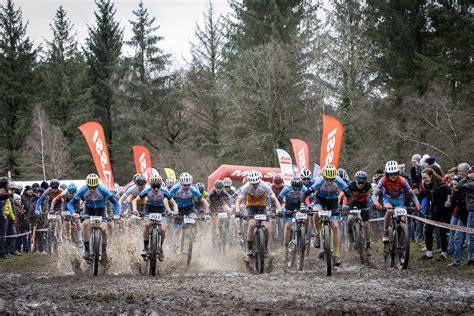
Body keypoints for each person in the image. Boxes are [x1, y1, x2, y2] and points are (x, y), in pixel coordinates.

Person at [304, 164, 353, 266]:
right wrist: (302, 204)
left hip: (333, 201)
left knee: (335, 226)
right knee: (316, 213)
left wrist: (347, 206)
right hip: (320, 200)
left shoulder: (339, 180)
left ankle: (337, 254)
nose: (330, 182)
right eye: (327, 179)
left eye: (332, 179)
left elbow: (350, 195)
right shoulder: (320, 181)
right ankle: (317, 234)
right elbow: (305, 194)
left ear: (335, 177)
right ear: (324, 177)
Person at [67, 174, 121, 260]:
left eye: (94, 187)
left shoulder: (103, 189)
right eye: (90, 187)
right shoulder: (83, 189)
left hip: (101, 210)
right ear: (87, 185)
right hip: (89, 210)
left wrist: (117, 214)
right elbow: (70, 204)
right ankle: (87, 250)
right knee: (85, 224)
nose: (92, 190)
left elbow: (116, 203)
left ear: (97, 185)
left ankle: (103, 252)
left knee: (103, 228)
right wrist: (73, 213)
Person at [372, 161, 421, 245]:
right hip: (388, 199)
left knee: (402, 219)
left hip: (399, 200)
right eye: (391, 174)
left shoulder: (402, 180)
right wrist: (377, 203)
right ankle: (386, 232)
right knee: (390, 211)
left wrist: (417, 204)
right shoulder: (383, 180)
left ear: (398, 172)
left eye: (395, 173)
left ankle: (402, 243)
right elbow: (374, 195)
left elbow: (412, 195)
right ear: (387, 173)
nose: (393, 176)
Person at [235, 170, 281, 257]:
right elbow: (238, 200)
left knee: (267, 227)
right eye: (253, 183)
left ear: (259, 181)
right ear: (250, 182)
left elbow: (274, 199)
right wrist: (237, 211)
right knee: (252, 224)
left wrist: (280, 210)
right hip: (251, 207)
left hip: (262, 207)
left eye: (256, 183)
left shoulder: (265, 185)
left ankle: (266, 247)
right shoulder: (246, 187)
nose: (255, 185)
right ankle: (249, 248)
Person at [134, 175, 177, 261]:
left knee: (163, 229)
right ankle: (145, 247)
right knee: (147, 225)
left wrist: (175, 211)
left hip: (160, 210)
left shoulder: (165, 191)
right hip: (149, 209)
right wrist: (135, 209)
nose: (156, 189)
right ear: (151, 186)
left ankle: (160, 248)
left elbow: (174, 203)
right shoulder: (147, 191)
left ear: (161, 186)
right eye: (154, 186)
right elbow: (135, 200)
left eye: (158, 186)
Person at [418, 168, 452, 260]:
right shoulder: (427, 185)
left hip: (444, 212)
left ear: (431, 176)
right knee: (428, 230)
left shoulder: (441, 185)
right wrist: (413, 197)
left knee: (442, 233)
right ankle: (429, 253)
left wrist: (448, 201)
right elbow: (421, 195)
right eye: (423, 177)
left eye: (425, 177)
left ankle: (444, 254)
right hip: (434, 212)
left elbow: (449, 192)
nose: (424, 179)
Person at [170, 172, 209, 248]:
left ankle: (190, 239)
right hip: (178, 208)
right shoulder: (175, 188)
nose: (187, 187)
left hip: (189, 208)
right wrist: (169, 210)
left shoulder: (193, 189)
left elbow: (204, 202)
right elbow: (167, 198)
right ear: (181, 184)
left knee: (193, 221)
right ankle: (174, 245)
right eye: (185, 185)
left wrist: (207, 214)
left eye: (188, 185)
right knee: (177, 229)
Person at [449, 163, 474, 266]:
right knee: (457, 238)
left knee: (470, 237)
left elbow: (461, 186)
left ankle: (471, 257)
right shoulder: (467, 182)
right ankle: (457, 260)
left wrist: (465, 178)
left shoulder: (470, 184)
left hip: (470, 212)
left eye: (470, 173)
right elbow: (458, 187)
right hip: (462, 214)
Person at [345, 170, 374, 255]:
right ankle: (350, 232)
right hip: (352, 203)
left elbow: (374, 194)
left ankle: (368, 245)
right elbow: (342, 195)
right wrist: (343, 205)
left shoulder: (368, 186)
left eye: (363, 182)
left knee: (366, 224)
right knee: (350, 219)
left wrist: (376, 203)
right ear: (356, 180)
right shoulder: (351, 185)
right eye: (359, 182)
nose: (361, 184)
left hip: (363, 204)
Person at [278, 177, 308, 248]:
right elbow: (279, 198)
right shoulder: (287, 189)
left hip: (300, 206)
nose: (297, 191)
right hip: (289, 207)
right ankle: (286, 245)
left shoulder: (304, 188)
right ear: (291, 186)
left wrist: (311, 205)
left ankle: (304, 235)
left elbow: (313, 197)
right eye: (295, 189)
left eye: (299, 189)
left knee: (306, 219)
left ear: (301, 186)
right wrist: (281, 208)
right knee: (288, 226)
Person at [208, 180, 232, 246]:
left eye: (220, 188)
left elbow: (227, 204)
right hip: (213, 207)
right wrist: (213, 212)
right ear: (214, 187)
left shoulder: (225, 193)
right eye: (217, 188)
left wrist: (229, 210)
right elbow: (210, 205)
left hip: (221, 206)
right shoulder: (211, 193)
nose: (218, 190)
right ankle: (213, 240)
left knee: (224, 216)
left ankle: (224, 232)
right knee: (214, 224)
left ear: (222, 188)